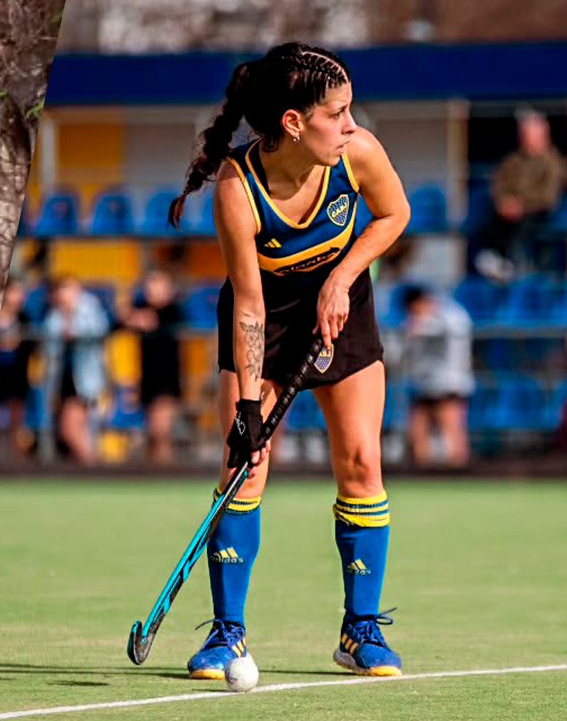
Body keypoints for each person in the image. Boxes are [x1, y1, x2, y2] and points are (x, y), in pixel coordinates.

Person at [166, 42, 411, 680]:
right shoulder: (237, 188)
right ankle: (228, 634)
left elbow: (395, 214)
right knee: (243, 469)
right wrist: (248, 408)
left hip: (342, 309)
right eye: (338, 113)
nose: (351, 124)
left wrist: (342, 278)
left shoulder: (357, 154)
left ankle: (360, 630)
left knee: (362, 462)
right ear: (295, 122)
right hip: (265, 322)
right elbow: (248, 306)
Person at [471, 108, 564, 282]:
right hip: (507, 210)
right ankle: (494, 260)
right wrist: (504, 202)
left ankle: (512, 268)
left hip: (537, 212)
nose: (524, 137)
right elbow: (499, 183)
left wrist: (522, 205)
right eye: (523, 133)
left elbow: (549, 195)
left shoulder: (552, 162)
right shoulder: (513, 159)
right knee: (489, 220)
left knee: (521, 228)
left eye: (529, 133)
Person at [399, 285, 474, 467]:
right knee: (418, 427)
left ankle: (460, 473)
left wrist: (421, 324)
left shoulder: (451, 314)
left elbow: (454, 330)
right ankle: (423, 475)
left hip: (450, 383)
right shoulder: (418, 320)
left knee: (451, 428)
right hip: (426, 384)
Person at [40, 276, 109, 464]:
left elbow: (99, 331)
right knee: (77, 429)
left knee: (70, 429)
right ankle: (90, 465)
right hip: (61, 378)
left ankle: (93, 464)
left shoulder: (90, 310)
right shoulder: (54, 316)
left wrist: (74, 329)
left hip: (85, 379)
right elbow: (49, 349)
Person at [124, 270, 185, 464]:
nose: (152, 290)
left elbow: (152, 321)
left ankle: (167, 472)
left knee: (160, 432)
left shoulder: (173, 311)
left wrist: (141, 319)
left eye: (158, 285)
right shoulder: (141, 306)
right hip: (147, 379)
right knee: (151, 434)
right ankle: (158, 471)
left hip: (167, 380)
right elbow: (123, 318)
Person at [0, 279, 34, 462]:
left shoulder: (24, 318)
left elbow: (29, 347)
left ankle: (17, 463)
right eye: (14, 292)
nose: (18, 297)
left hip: (16, 376)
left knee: (16, 425)